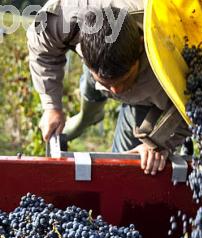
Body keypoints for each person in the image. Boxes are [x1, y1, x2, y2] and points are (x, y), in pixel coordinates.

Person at [27, 0, 191, 175]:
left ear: (141, 46)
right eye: (108, 84)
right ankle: (87, 116)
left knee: (132, 166)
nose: (116, 91)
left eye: (124, 80)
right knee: (88, 104)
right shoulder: (67, 15)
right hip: (96, 68)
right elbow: (41, 45)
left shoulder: (176, 44)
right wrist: (51, 105)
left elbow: (197, 104)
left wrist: (157, 143)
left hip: (152, 94)